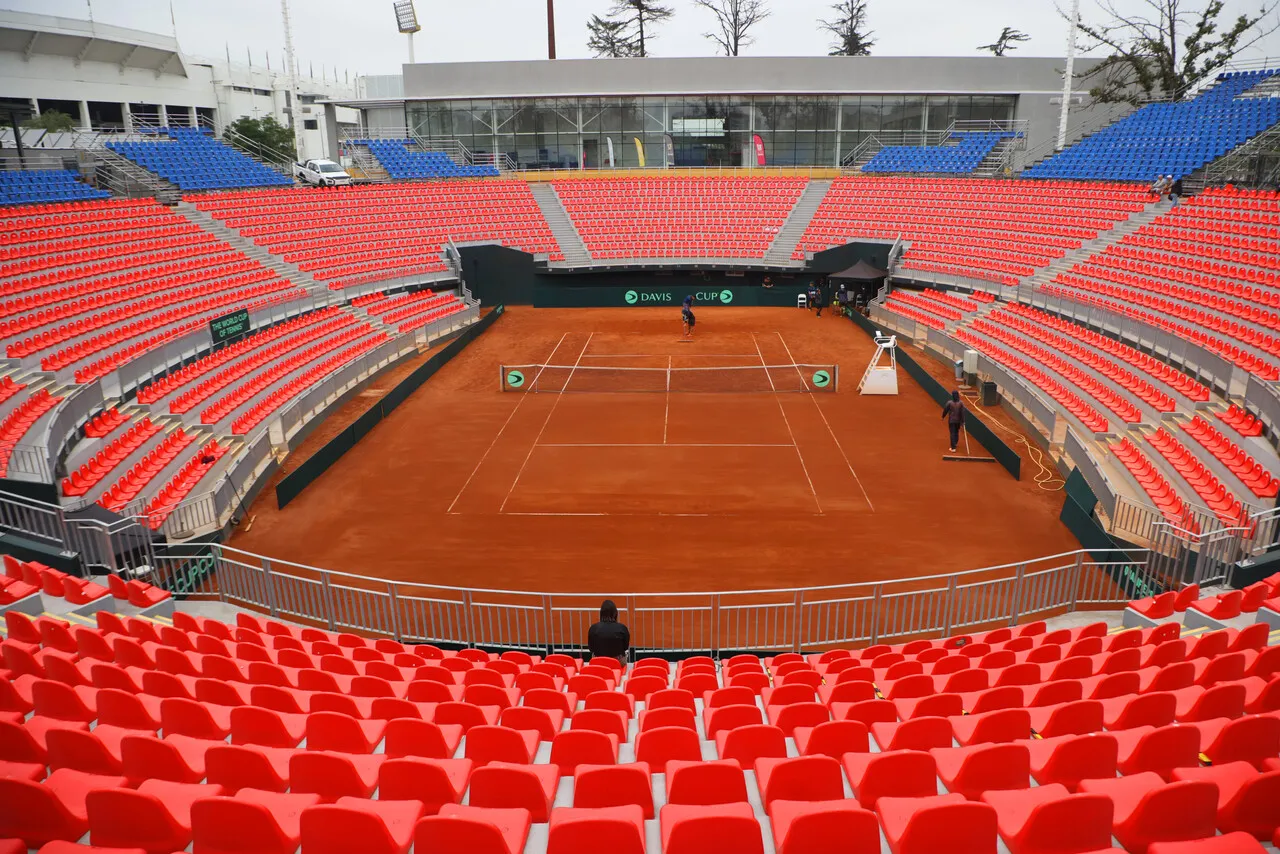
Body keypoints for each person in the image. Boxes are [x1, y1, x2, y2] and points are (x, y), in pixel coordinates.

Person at [587, 599, 629, 667]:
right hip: (617, 662)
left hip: (598, 661)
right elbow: (625, 647)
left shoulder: (593, 628)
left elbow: (591, 648)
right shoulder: (622, 628)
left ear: (601, 613)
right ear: (615, 613)